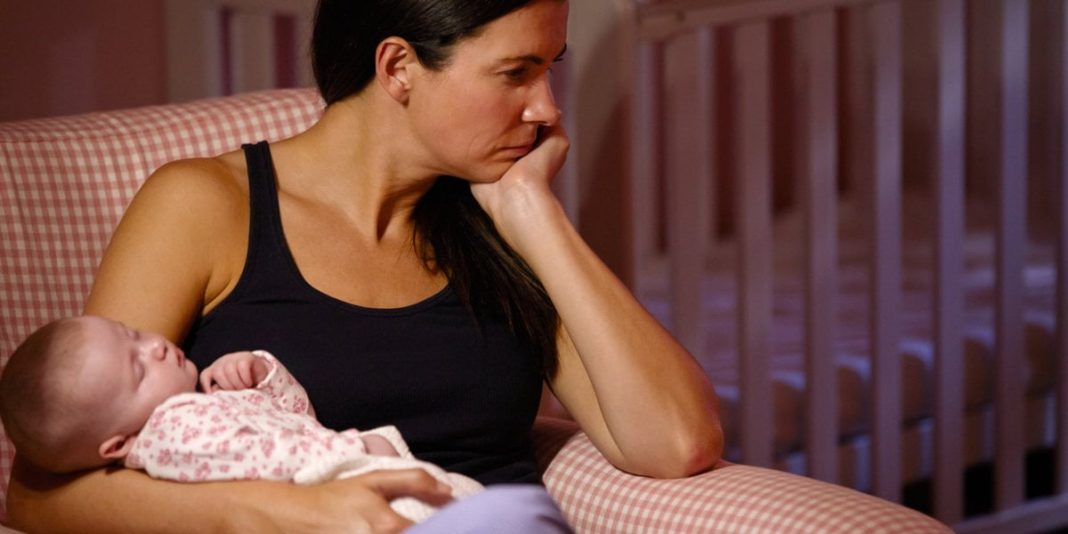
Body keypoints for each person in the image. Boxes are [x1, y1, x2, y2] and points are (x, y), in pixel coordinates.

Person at [6, 0, 723, 531]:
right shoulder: (203, 206)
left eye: (549, 69)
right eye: (516, 73)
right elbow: (42, 495)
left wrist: (537, 217)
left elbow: (677, 444)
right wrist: (279, 514)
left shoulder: (500, 224)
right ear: (398, 67)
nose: (546, 110)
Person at [0, 315, 482, 524]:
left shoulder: (198, 407)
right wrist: (352, 449)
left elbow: (300, 420)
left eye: (135, 335)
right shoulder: (174, 434)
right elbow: (265, 461)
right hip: (342, 492)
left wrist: (262, 377)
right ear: (118, 444)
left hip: (349, 474)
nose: (155, 347)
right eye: (139, 370)